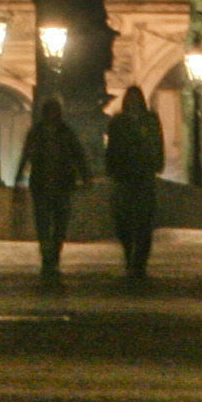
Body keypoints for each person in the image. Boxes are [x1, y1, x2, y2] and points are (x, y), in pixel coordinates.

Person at [22, 98, 92, 283]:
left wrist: (85, 175)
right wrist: (20, 174)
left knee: (60, 223)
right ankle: (47, 257)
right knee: (44, 223)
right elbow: (27, 154)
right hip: (42, 184)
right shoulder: (39, 132)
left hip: (62, 184)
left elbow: (78, 154)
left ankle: (54, 255)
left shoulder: (64, 132)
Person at [104, 88, 167, 280]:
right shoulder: (118, 122)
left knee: (144, 221)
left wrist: (157, 163)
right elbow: (112, 147)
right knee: (124, 221)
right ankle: (129, 254)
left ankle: (139, 262)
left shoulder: (150, 120)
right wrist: (111, 168)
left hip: (143, 175)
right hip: (124, 175)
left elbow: (158, 141)